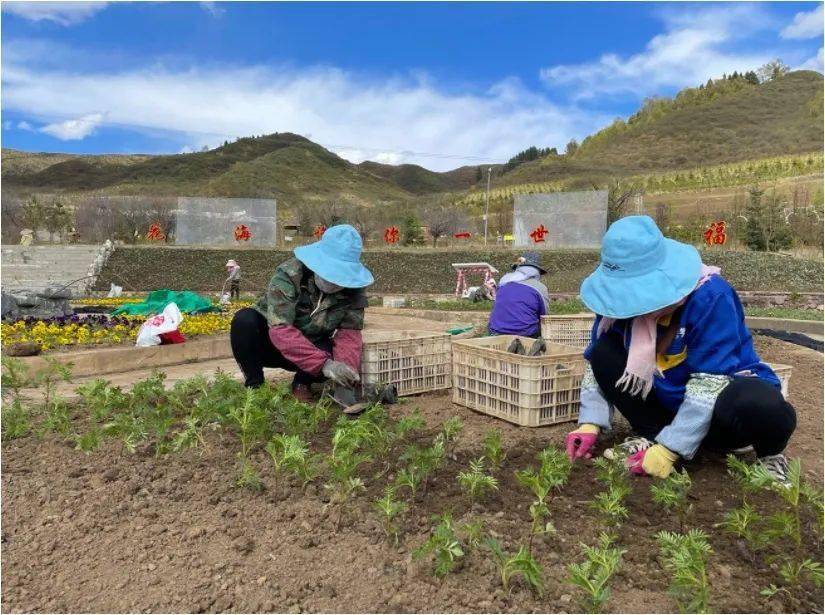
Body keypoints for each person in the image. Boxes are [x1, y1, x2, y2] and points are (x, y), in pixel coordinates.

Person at [564, 216, 796, 486]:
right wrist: (589, 424)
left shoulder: (710, 298)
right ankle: (653, 434)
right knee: (604, 352)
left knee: (761, 404)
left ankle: (770, 456)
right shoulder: (616, 309)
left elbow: (709, 383)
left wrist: (669, 451)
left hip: (721, 414)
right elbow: (597, 364)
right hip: (668, 406)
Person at [230, 224, 373, 402]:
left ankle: (302, 383)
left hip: (312, 347)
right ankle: (255, 385)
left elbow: (349, 335)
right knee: (244, 321)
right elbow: (280, 329)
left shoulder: (354, 291)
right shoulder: (290, 275)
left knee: (335, 352)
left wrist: (345, 373)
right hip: (270, 344)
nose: (333, 280)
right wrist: (324, 364)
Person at [488, 252, 550, 337]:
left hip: (496, 331)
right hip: (525, 333)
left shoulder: (504, 282)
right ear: (536, 272)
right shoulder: (540, 287)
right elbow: (544, 316)